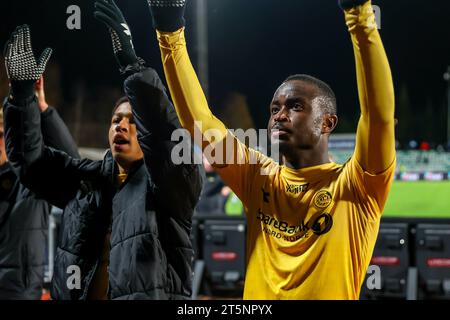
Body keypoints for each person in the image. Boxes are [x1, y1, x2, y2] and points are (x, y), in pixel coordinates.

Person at [147, 0, 396, 299]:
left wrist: (359, 15)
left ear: (327, 123)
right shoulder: (258, 176)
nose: (279, 115)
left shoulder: (358, 185)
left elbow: (378, 116)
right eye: (274, 108)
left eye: (295, 106)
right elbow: (200, 123)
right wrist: (169, 30)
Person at [3, 0, 201, 300]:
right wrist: (21, 99)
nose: (121, 126)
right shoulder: (86, 180)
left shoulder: (169, 190)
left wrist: (134, 67)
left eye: (133, 121)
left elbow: (167, 143)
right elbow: (31, 163)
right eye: (115, 120)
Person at [0, 76, 79, 300]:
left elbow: (72, 166)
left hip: (21, 292)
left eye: (1, 135)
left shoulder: (32, 179)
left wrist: (43, 111)